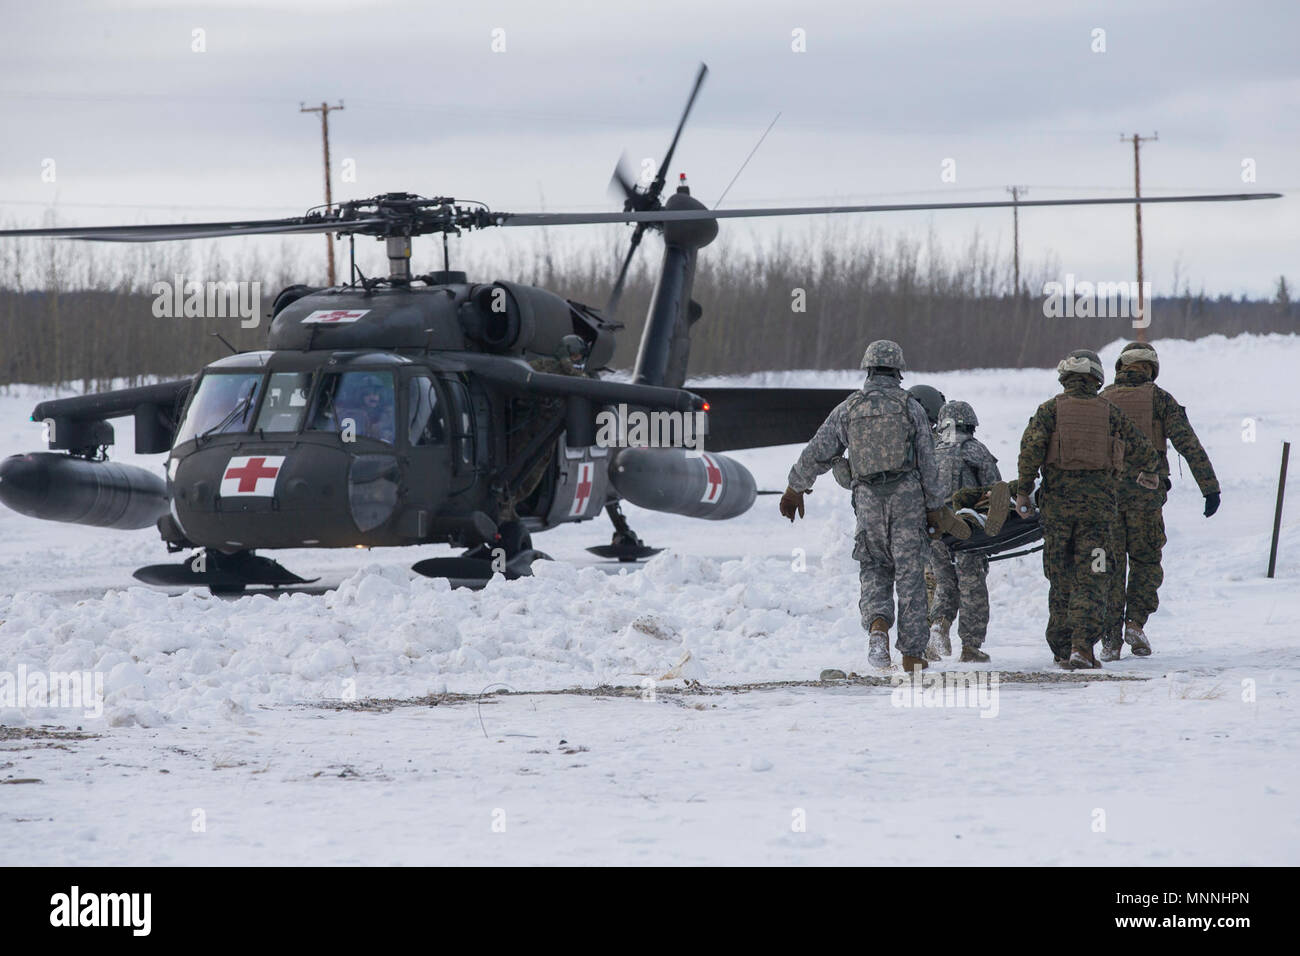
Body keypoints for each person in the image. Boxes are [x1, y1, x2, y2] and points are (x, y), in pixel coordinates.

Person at [779, 340, 967, 673]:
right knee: (910, 575)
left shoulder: (848, 408)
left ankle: (878, 630)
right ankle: (912, 655)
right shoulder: (911, 407)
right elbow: (927, 460)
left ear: (868, 369)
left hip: (867, 499)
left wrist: (796, 487)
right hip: (907, 499)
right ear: (898, 370)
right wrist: (936, 507)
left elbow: (818, 450)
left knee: (875, 567)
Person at [1017, 349, 1160, 669]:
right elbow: (1143, 449)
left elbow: (1030, 451)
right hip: (1098, 517)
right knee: (1092, 576)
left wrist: (1024, 491)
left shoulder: (1049, 410)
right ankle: (1082, 646)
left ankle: (1060, 646)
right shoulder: (1109, 412)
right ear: (1097, 378)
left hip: (1057, 514)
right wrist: (1149, 472)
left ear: (1065, 378)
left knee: (1061, 576)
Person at [1098, 342, 1221, 660]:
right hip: (1145, 498)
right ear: (1151, 368)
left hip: (1106, 500)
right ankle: (1134, 624)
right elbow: (1188, 444)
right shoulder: (1160, 399)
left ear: (1121, 367)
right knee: (1146, 563)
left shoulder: (1100, 401)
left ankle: (1110, 638)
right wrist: (1209, 488)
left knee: (1110, 566)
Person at [927, 400, 1001, 663]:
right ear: (970, 424)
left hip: (934, 527)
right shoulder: (975, 450)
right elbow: (995, 488)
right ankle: (970, 647)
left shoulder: (930, 451)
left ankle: (939, 624)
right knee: (971, 586)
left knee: (945, 582)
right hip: (966, 529)